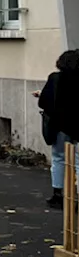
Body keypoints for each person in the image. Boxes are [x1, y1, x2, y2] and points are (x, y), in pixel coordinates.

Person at [39, 49, 80, 208]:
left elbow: (44, 102)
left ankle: (58, 194)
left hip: (60, 126)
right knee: (79, 162)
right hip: (78, 126)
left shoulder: (55, 78)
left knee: (59, 158)